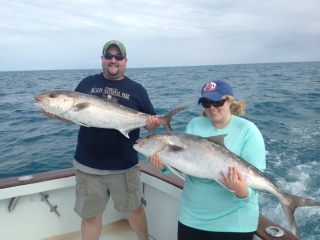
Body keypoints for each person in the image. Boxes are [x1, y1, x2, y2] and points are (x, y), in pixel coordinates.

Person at [41, 40, 160, 240]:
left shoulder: (137, 89)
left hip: (125, 166)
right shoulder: (87, 84)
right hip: (89, 165)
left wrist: (154, 123)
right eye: (109, 56)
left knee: (134, 210)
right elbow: (69, 116)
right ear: (102, 59)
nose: (113, 60)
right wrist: (56, 112)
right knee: (91, 216)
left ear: (125, 61)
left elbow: (149, 120)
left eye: (118, 57)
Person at [148, 80, 266, 240]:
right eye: (206, 102)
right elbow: (183, 165)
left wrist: (242, 191)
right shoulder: (194, 124)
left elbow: (255, 182)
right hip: (191, 218)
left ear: (230, 101)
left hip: (234, 223)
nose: (212, 107)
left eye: (217, 101)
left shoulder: (248, 131)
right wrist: (163, 166)